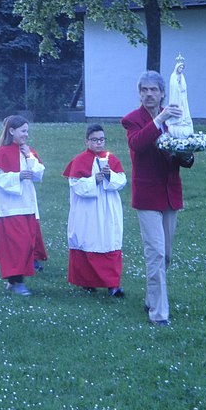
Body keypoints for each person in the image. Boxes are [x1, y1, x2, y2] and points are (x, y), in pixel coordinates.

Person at [121, 70, 195, 326]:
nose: (149, 94)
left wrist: (187, 155)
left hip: (170, 193)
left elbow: (182, 156)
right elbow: (138, 145)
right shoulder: (132, 120)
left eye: (153, 90)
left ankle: (152, 298)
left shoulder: (175, 119)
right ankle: (159, 314)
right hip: (147, 196)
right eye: (144, 90)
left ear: (163, 92)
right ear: (139, 93)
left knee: (166, 255)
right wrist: (160, 118)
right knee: (155, 253)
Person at [63, 124, 127, 296]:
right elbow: (75, 185)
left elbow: (121, 181)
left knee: (109, 240)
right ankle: (87, 282)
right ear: (87, 141)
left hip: (108, 209)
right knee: (87, 240)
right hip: (87, 211)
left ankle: (113, 285)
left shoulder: (111, 160)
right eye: (95, 140)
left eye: (102, 139)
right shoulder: (79, 160)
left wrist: (108, 176)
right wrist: (94, 181)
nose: (99, 143)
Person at [0, 115, 47, 296]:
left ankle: (15, 280)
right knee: (16, 245)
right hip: (10, 207)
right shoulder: (2, 152)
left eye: (27, 131)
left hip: (26, 205)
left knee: (27, 243)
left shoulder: (26, 151)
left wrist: (29, 155)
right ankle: (16, 281)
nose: (26, 135)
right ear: (11, 131)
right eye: (23, 131)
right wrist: (18, 176)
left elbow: (38, 173)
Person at [166, 57, 194, 138]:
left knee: (184, 109)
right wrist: (177, 85)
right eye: (180, 67)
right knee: (177, 108)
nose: (181, 69)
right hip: (176, 97)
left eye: (182, 68)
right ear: (177, 68)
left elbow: (184, 87)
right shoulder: (173, 76)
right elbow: (173, 86)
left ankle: (183, 120)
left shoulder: (182, 76)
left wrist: (181, 84)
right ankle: (176, 121)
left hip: (182, 97)